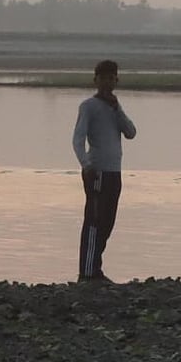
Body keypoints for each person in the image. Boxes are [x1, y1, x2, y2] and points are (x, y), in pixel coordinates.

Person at [72, 59, 137, 283]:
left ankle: (95, 268)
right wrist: (85, 165)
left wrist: (117, 108)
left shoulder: (115, 107)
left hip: (114, 172)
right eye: (103, 78)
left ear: (116, 80)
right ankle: (87, 273)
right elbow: (78, 139)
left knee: (108, 221)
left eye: (112, 78)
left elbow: (131, 132)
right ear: (96, 80)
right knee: (94, 220)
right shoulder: (88, 106)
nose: (108, 82)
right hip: (96, 171)